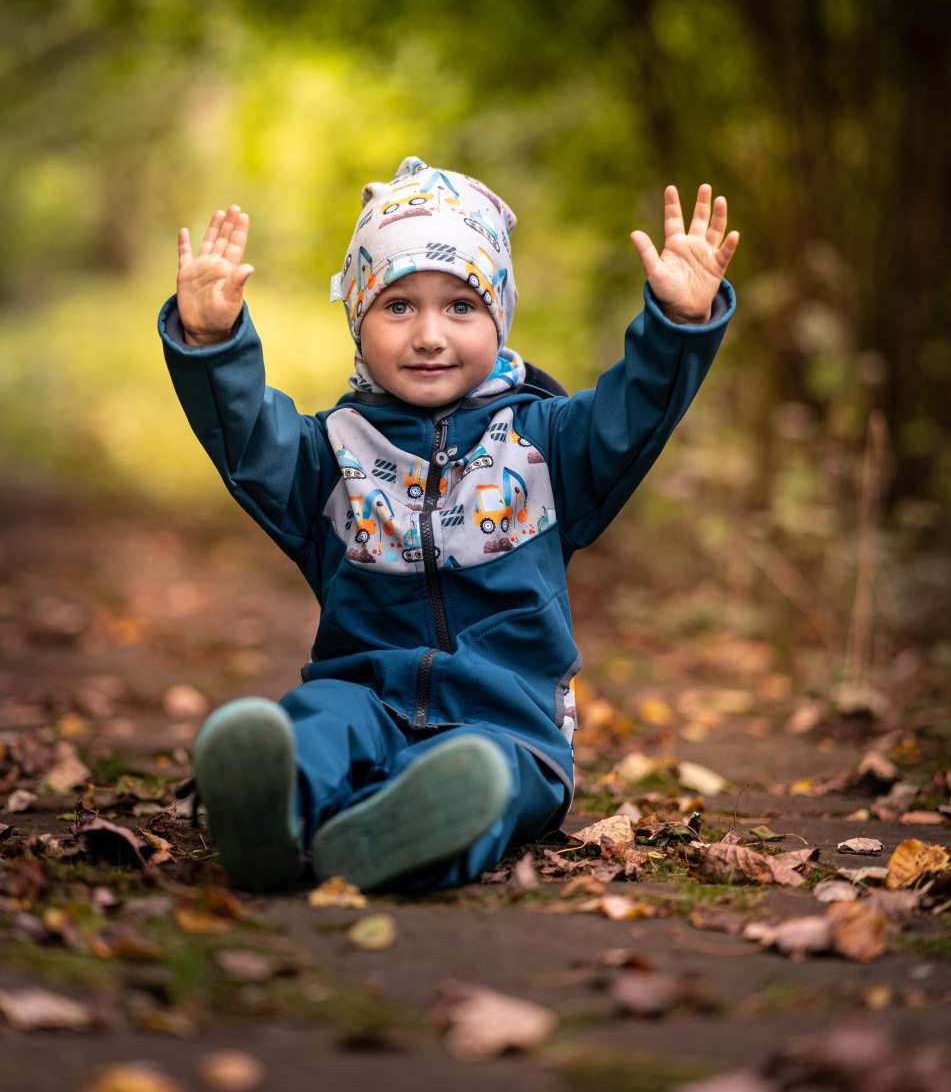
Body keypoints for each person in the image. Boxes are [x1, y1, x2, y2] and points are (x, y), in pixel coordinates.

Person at [157, 155, 740, 893]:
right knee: (315, 724)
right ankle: (272, 818)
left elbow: (635, 416)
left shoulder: (548, 444)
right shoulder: (329, 453)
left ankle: (392, 834)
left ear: (498, 315)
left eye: (460, 306)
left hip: (507, 728)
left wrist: (678, 326)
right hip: (362, 691)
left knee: (481, 781)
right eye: (398, 306)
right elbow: (244, 438)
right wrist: (212, 346)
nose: (429, 334)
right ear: (357, 319)